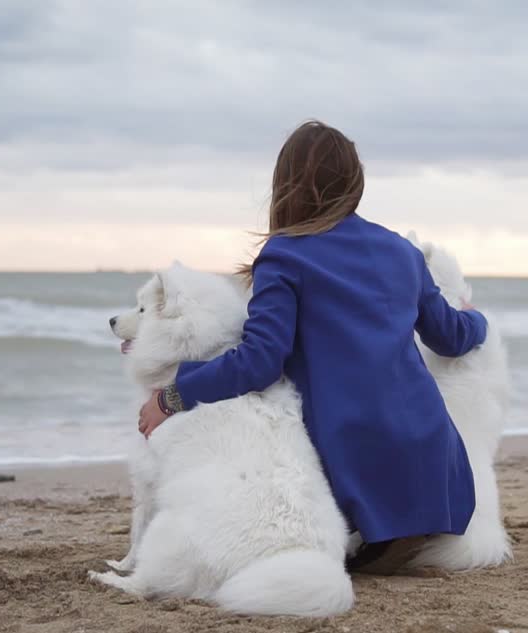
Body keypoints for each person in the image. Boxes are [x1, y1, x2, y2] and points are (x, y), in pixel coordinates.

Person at [138, 120, 488, 574]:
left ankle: (369, 528)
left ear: (285, 185)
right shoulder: (402, 252)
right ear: (355, 183)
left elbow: (260, 362)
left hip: (355, 464)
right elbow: (451, 336)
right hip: (436, 464)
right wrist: (476, 319)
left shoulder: (286, 255)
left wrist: (173, 395)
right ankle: (401, 525)